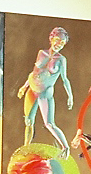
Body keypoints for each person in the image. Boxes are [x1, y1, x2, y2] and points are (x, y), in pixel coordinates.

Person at [18, 26, 73, 156]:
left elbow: (65, 79)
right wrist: (24, 86)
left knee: (49, 124)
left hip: (45, 93)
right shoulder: (41, 53)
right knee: (29, 121)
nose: (59, 44)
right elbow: (34, 72)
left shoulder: (61, 60)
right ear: (51, 38)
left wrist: (70, 96)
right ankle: (26, 148)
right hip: (32, 90)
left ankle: (65, 147)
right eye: (57, 40)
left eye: (62, 43)